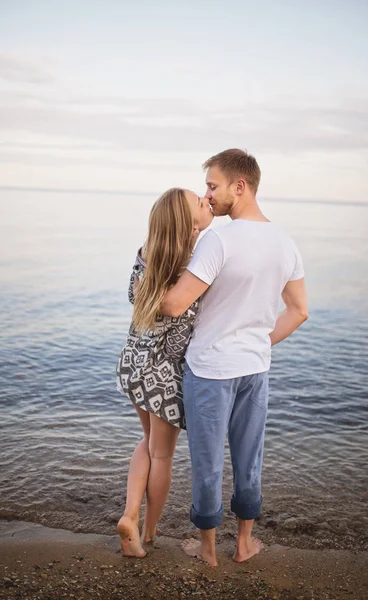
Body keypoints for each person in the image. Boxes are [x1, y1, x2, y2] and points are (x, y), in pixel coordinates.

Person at [160, 149, 309, 567]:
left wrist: (151, 270)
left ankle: (208, 549)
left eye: (212, 186)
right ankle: (244, 545)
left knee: (207, 464)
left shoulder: (218, 240)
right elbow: (299, 310)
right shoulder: (285, 241)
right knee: (249, 460)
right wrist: (259, 342)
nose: (208, 197)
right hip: (254, 370)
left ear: (239, 187)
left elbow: (173, 305)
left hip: (209, 370)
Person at [116, 187, 213, 558]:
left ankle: (129, 513)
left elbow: (132, 298)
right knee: (164, 455)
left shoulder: (147, 257)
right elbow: (180, 337)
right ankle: (149, 530)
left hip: (134, 365)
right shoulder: (190, 270)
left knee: (148, 444)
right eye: (199, 203)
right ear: (188, 226)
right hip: (162, 375)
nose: (206, 202)